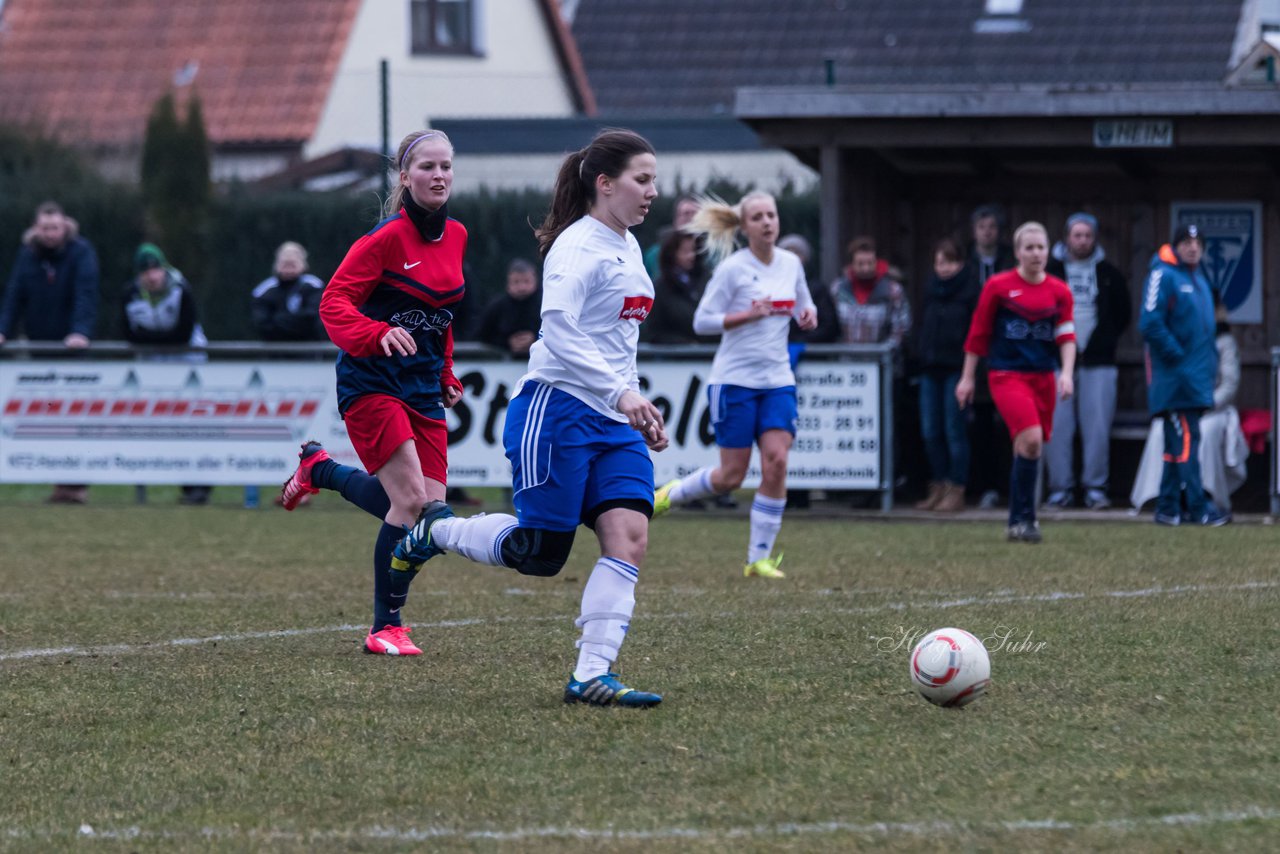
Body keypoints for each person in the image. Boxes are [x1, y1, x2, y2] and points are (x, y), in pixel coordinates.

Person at [333, 129, 669, 707]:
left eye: (654, 180)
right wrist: (622, 394)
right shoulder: (577, 247)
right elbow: (559, 332)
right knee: (540, 555)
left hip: (612, 422)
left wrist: (631, 402)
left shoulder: (628, 245)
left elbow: (615, 341)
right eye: (643, 179)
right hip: (556, 411)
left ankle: (591, 674)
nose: (653, 192)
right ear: (605, 184)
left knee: (629, 536)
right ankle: (435, 529)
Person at [277, 129, 469, 656]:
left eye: (446, 166)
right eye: (427, 167)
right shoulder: (382, 241)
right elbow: (334, 303)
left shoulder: (457, 236)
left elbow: (440, 316)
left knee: (428, 511)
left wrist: (446, 372)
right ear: (405, 178)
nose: (439, 175)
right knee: (410, 503)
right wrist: (377, 333)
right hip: (371, 379)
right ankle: (386, 626)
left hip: (421, 385)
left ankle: (320, 471)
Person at [652, 191, 819, 578]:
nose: (767, 222)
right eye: (758, 217)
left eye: (771, 215)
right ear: (744, 227)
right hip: (734, 381)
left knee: (777, 462)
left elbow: (803, 306)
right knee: (732, 476)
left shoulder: (791, 264)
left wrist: (808, 315)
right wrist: (746, 315)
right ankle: (668, 495)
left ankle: (758, 558)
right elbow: (702, 322)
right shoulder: (732, 270)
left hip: (778, 380)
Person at [957, 222, 1076, 543]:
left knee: (1027, 446)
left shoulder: (1059, 290)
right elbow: (978, 334)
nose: (1036, 254)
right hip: (1007, 375)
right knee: (1033, 439)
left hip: (1043, 376)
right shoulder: (998, 286)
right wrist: (967, 378)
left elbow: (1066, 334)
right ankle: (1025, 517)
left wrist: (1065, 372)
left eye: (1041, 247)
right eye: (1029, 248)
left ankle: (1019, 520)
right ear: (1018, 252)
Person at [0, 201, 100, 504]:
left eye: (54, 227)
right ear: (36, 228)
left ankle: (76, 484)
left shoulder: (81, 253)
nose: (50, 233)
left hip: (72, 350)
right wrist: (3, 329)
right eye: (44, 228)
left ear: (64, 226)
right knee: (47, 415)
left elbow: (86, 293)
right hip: (40, 349)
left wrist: (80, 332)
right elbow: (15, 295)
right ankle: (61, 483)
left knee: (75, 416)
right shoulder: (27, 256)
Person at [1136, 224, 1230, 526]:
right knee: (1188, 442)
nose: (1192, 248)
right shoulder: (1163, 275)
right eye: (1186, 242)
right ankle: (1199, 508)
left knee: (1176, 445)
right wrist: (1178, 357)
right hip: (1175, 380)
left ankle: (1167, 508)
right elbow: (1150, 323)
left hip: (1196, 380)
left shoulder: (1200, 280)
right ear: (1175, 245)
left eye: (1197, 243)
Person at [1043, 213, 1131, 510]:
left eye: (1087, 236)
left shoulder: (1109, 274)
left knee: (1097, 428)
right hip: (1057, 362)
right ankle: (1059, 488)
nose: (1082, 241)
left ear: (1094, 238)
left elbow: (1122, 314)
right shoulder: (1050, 271)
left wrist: (1100, 341)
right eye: (1076, 235)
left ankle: (1095, 488)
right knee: (1057, 427)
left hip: (1098, 361)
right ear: (1067, 237)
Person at [1131, 301, 1247, 513]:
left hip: (1214, 410)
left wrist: (1204, 404)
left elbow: (1229, 385)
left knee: (1206, 432)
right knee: (1160, 430)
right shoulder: (1178, 337)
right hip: (1181, 405)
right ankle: (1160, 495)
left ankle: (1204, 494)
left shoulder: (1224, 341)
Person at [121, 243, 212, 504]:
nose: (152, 276)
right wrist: (158, 342)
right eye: (145, 271)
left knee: (191, 426)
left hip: (188, 368)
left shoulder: (182, 290)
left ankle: (198, 487)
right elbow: (128, 333)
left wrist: (150, 340)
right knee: (161, 425)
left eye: (156, 269)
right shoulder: (130, 294)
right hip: (154, 368)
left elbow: (183, 333)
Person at [914, 237, 979, 513]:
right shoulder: (930, 290)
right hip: (930, 369)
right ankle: (938, 486)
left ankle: (957, 488)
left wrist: (971, 375)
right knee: (930, 431)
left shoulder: (971, 291)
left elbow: (976, 335)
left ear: (961, 263)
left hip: (957, 370)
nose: (944, 268)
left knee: (954, 430)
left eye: (950, 261)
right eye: (940, 262)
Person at [643, 227, 713, 344]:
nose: (691, 256)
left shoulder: (708, 280)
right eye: (685, 251)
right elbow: (654, 332)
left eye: (694, 250)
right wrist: (685, 343)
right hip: (677, 358)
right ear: (671, 253)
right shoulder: (659, 288)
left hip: (710, 354)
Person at [251, 242, 326, 341]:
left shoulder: (314, 286)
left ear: (303, 264)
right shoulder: (264, 291)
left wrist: (279, 320)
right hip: (274, 350)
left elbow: (312, 317)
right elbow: (262, 323)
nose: (289, 269)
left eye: (293, 264)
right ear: (276, 264)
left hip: (308, 349)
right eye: (285, 263)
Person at [474, 258, 541, 356]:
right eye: (516, 282)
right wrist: (507, 343)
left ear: (535, 281)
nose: (522, 287)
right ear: (508, 283)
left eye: (526, 281)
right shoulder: (496, 307)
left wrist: (536, 338)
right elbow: (480, 337)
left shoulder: (545, 304)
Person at [643, 193, 700, 280]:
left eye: (694, 213)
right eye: (686, 213)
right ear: (676, 219)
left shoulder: (712, 251)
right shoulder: (655, 254)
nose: (691, 218)